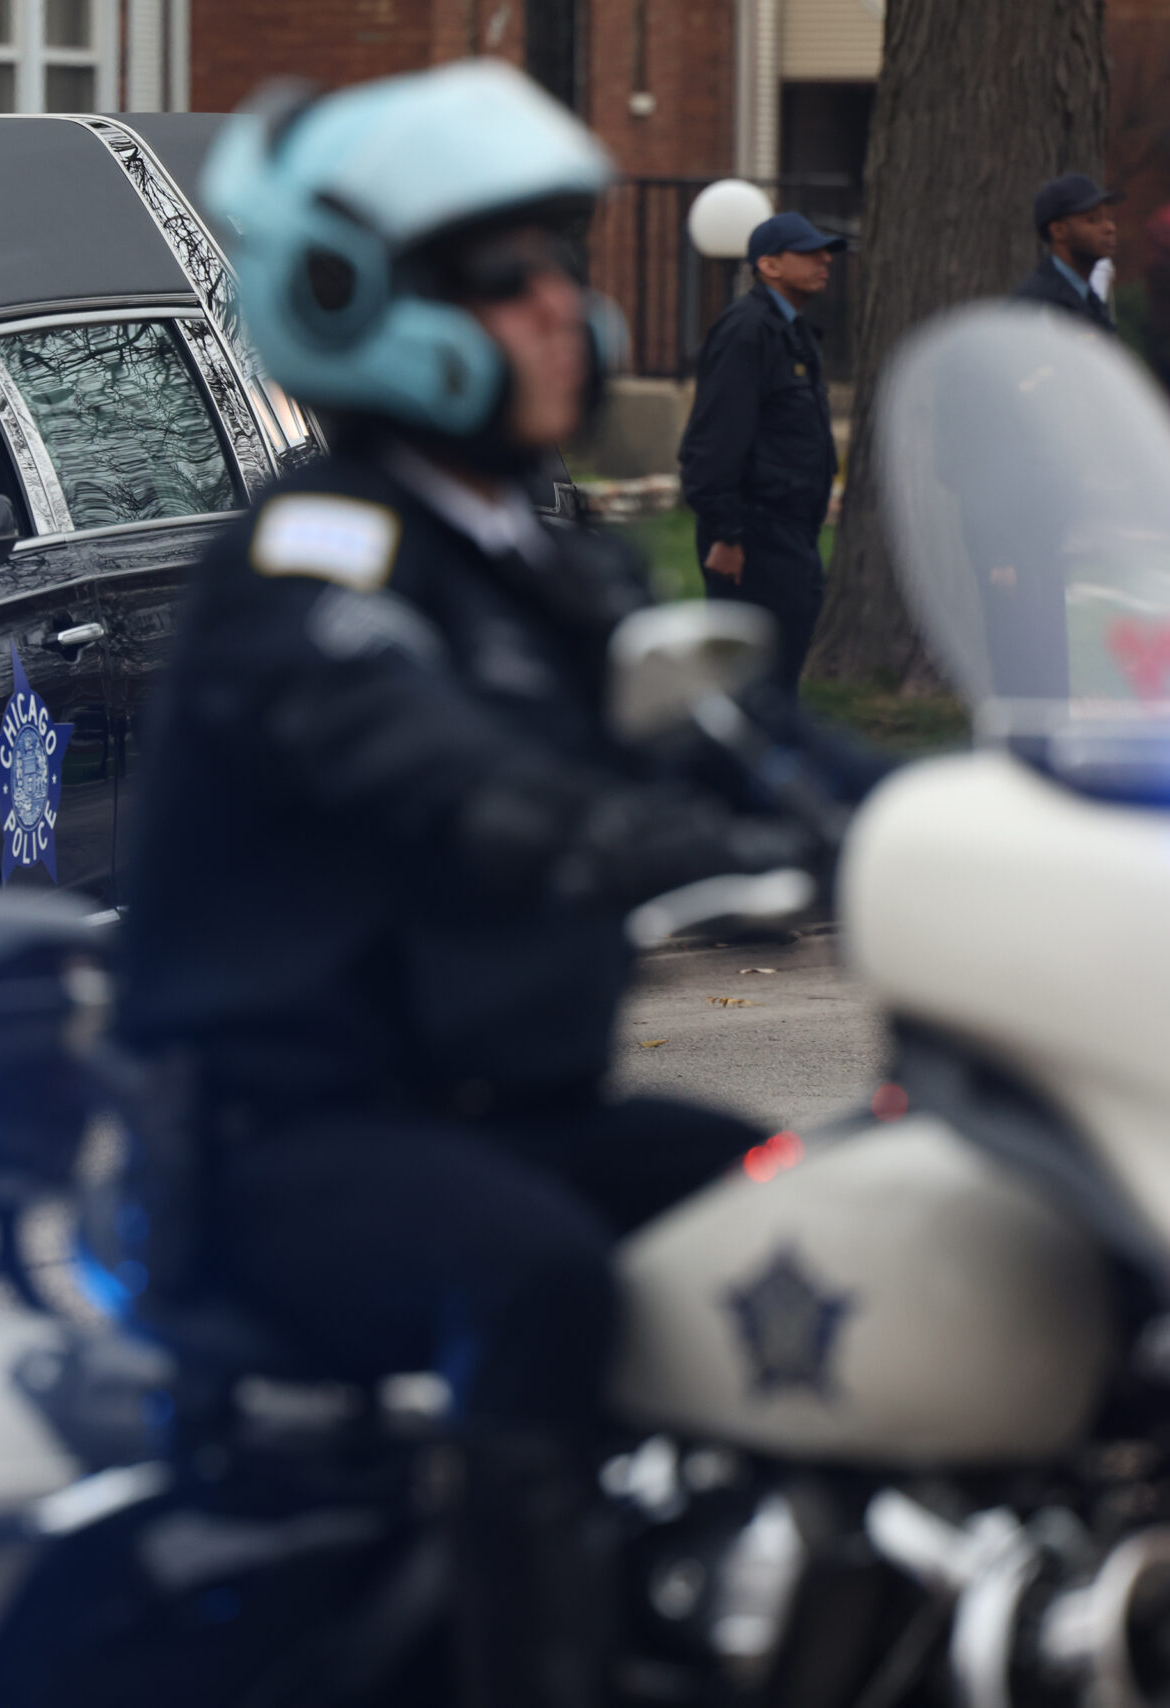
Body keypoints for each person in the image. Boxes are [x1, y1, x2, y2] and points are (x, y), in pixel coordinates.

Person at [121, 62, 858, 1707]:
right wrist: (605, 831)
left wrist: (980, 818)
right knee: (537, 1273)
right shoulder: (311, 562)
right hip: (282, 1146)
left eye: (555, 268)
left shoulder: (540, 556)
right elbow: (431, 761)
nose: (556, 309)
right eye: (502, 278)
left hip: (500, 1113)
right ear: (356, 303)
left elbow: (742, 736)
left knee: (816, 1210)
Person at [678, 211, 846, 705]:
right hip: (753, 536)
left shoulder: (787, 329)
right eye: (809, 252)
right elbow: (714, 442)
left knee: (778, 676)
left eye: (826, 251)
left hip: (787, 531)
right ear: (769, 266)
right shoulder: (747, 330)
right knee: (755, 684)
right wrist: (727, 533)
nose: (824, 260)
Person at [1013, 172, 1121, 334]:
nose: (1110, 228)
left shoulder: (1089, 299)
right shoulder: (1039, 305)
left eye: (1109, 218)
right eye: (1094, 220)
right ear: (1059, 231)